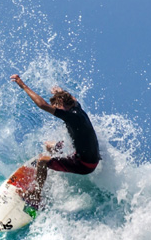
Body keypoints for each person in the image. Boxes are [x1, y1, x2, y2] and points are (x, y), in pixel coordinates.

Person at [9, 74, 100, 207]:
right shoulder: (76, 106)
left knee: (41, 162)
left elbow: (42, 104)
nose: (56, 110)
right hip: (88, 156)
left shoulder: (70, 116)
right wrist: (58, 91)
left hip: (85, 165)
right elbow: (68, 96)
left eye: (57, 106)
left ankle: (36, 195)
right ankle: (50, 169)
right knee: (49, 145)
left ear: (63, 104)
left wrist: (22, 85)